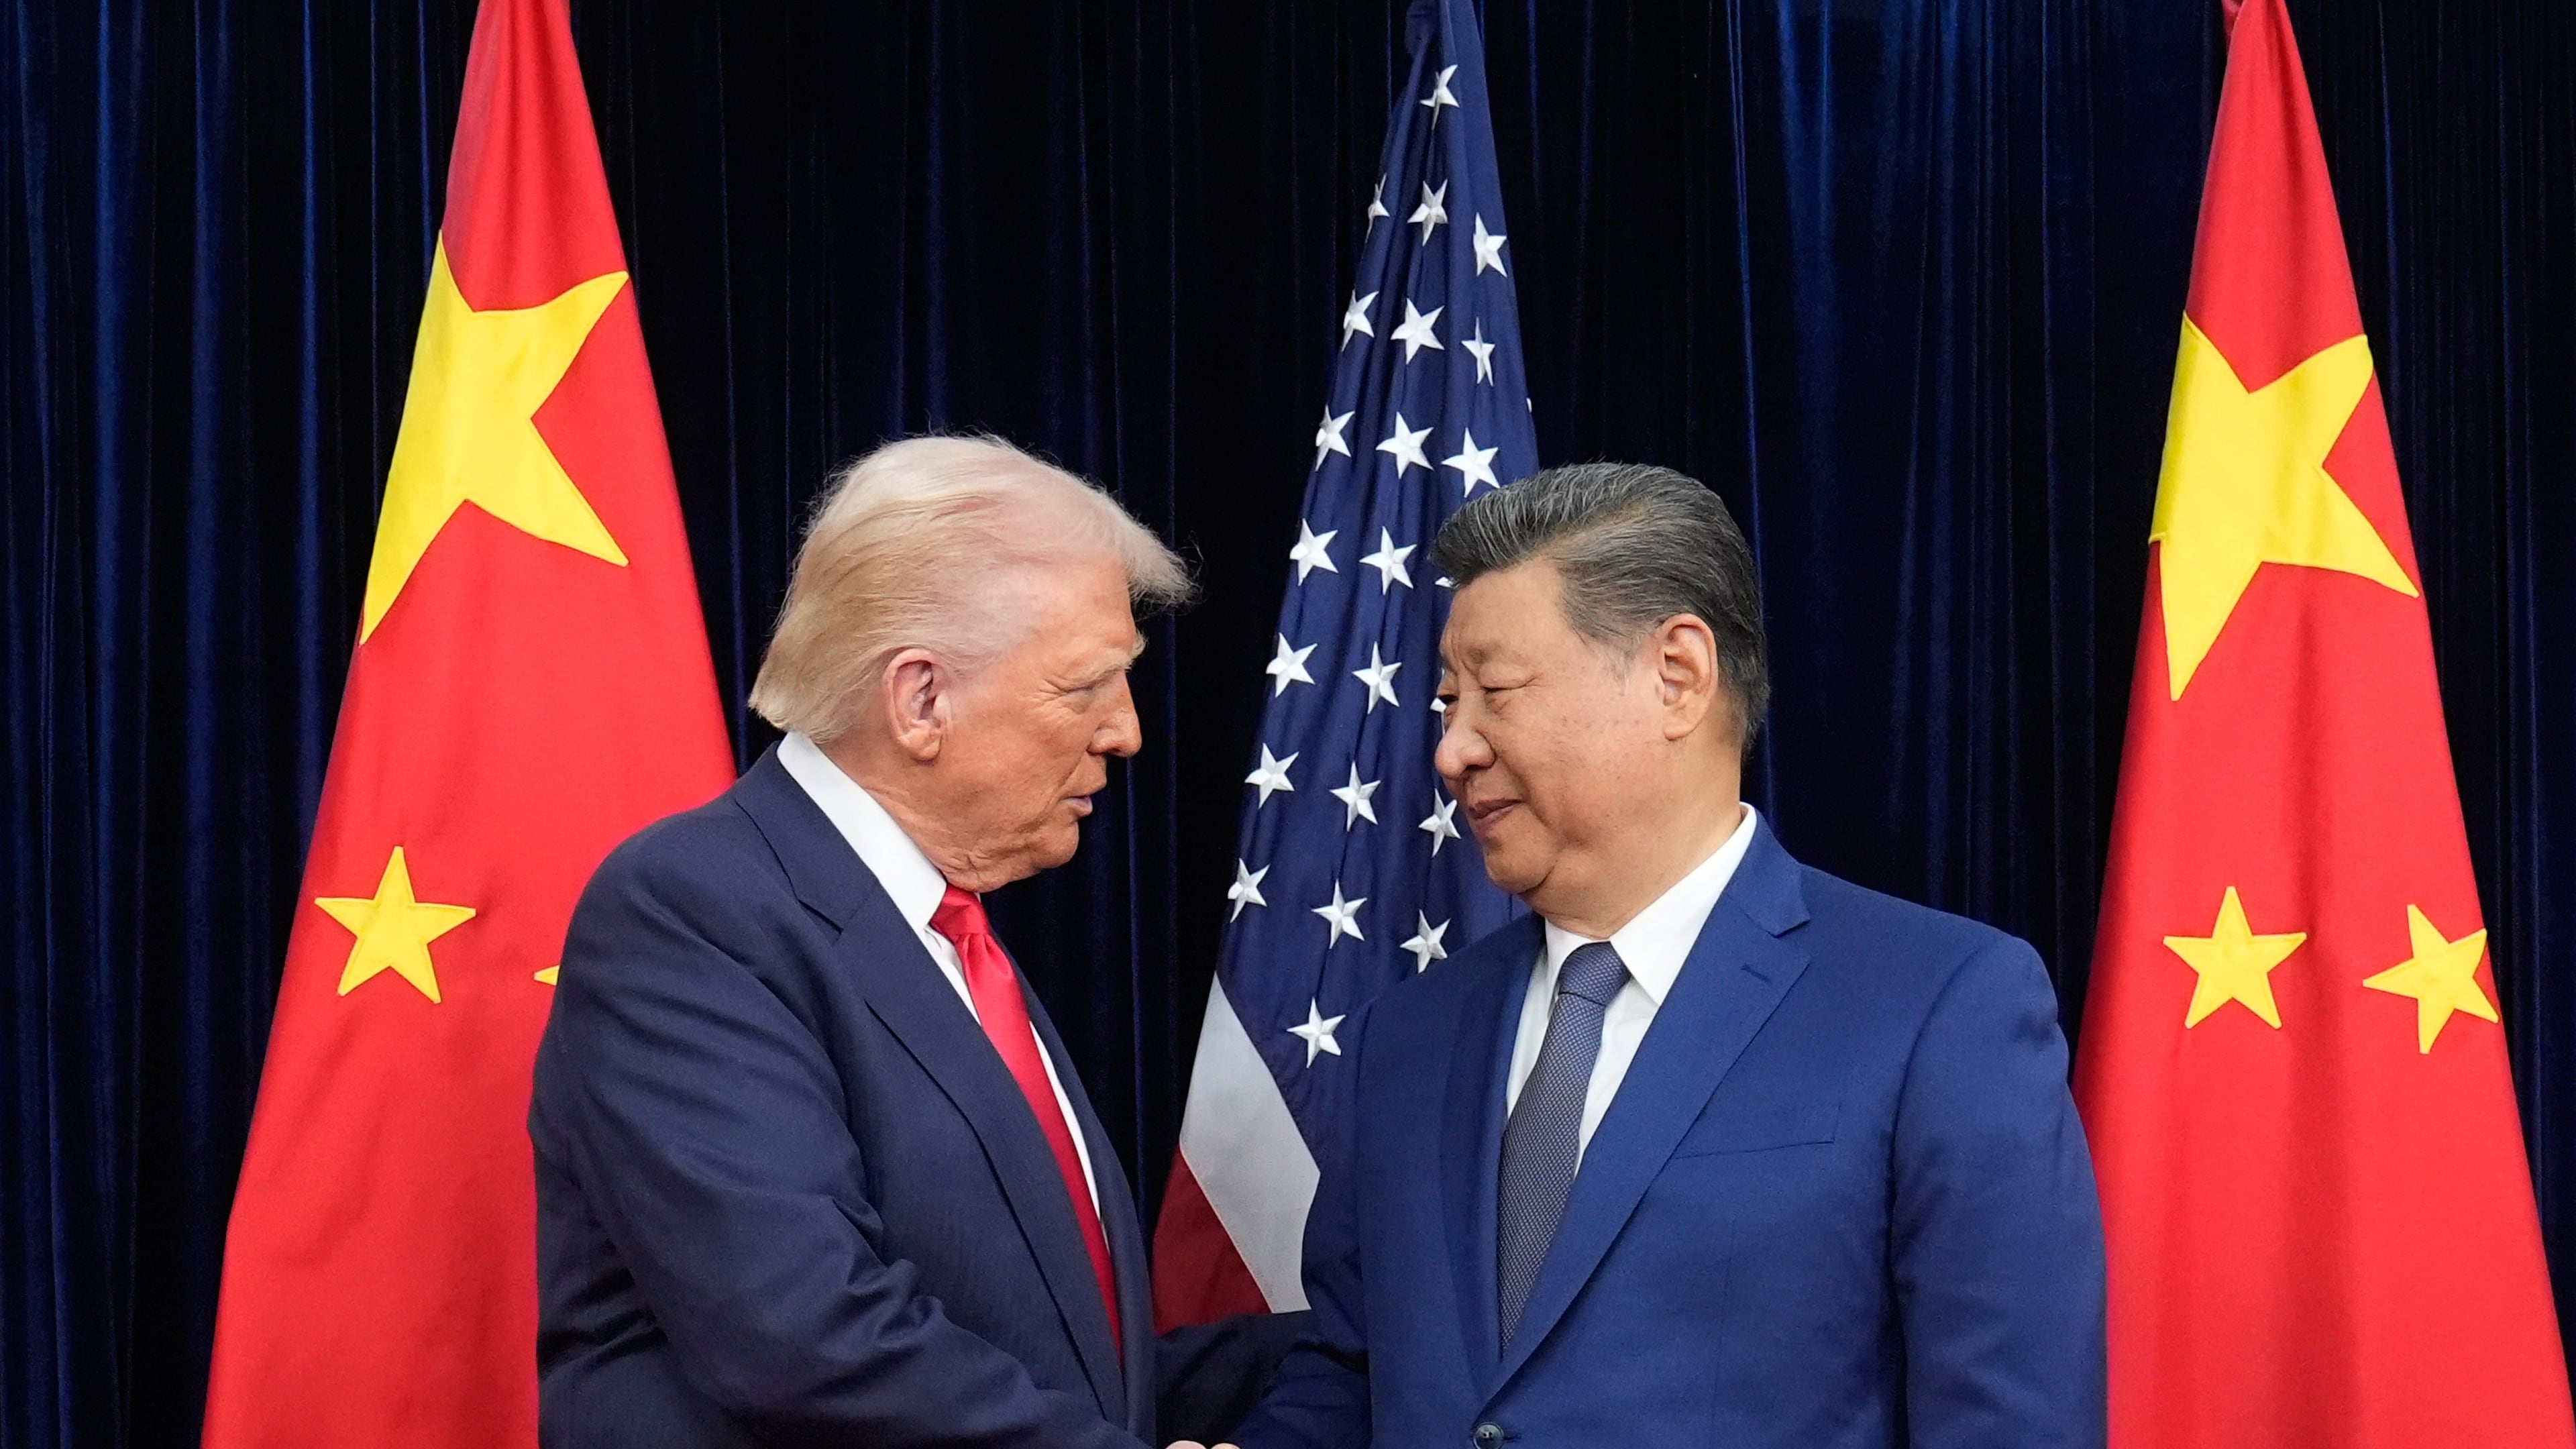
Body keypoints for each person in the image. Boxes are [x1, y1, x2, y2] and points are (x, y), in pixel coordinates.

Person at [1220, 464, 2106, 1449]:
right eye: (1445, 701)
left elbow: (2009, 1424)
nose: (1453, 750)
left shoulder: (1939, 1005)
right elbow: (1352, 1372)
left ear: (1677, 675)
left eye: (1495, 693)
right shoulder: (1412, 1035)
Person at [530, 435, 1190, 1448]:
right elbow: (802, 1334)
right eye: (1085, 687)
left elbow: (1058, 1346)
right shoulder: (690, 912)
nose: (1126, 731)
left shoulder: (946, 932)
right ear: (920, 699)